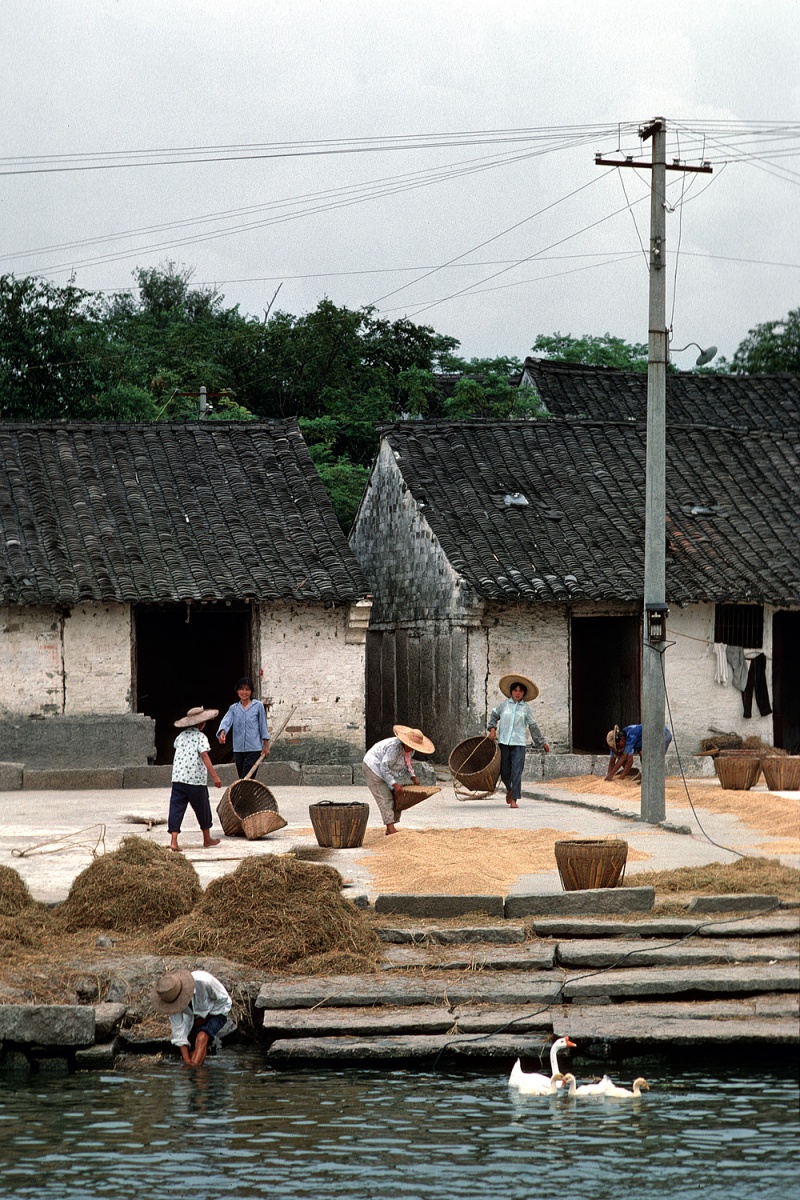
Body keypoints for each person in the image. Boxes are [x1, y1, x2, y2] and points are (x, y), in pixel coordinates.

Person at [487, 673, 550, 809]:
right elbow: (493, 715)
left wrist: (542, 742)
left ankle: (514, 799)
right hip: (504, 742)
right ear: (511, 692)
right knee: (504, 772)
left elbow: (533, 726)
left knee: (516, 771)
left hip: (519, 744)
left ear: (524, 693)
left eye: (520, 691)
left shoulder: (526, 709)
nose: (517, 693)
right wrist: (492, 730)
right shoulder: (504, 705)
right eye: (515, 690)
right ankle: (509, 789)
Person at [151, 969, 235, 1067]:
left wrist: (206, 1017)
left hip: (218, 1010)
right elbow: (179, 1032)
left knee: (201, 1037)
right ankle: (198, 1074)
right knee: (191, 1053)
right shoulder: (170, 999)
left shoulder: (205, 981)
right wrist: (187, 1061)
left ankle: (197, 1074)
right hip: (194, 1017)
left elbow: (223, 999)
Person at [362, 724, 435, 836]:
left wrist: (413, 776)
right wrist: (394, 784)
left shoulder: (411, 750)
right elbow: (384, 767)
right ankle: (390, 828)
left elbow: (407, 762)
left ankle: (391, 826)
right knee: (385, 796)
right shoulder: (394, 748)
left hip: (387, 770)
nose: (413, 748)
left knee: (397, 796)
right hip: (374, 767)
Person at [168, 706, 223, 851]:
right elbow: (205, 756)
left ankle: (173, 841)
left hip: (178, 779)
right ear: (201, 724)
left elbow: (177, 748)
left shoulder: (180, 737)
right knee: (203, 809)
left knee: (176, 809)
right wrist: (215, 776)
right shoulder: (201, 737)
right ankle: (207, 839)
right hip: (195, 781)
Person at [216, 677, 270, 778]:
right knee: (243, 777)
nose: (244, 692)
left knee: (246, 777)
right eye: (241, 689)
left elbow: (263, 726)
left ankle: (244, 793)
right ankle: (247, 794)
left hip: (254, 748)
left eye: (247, 689)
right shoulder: (234, 708)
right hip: (238, 749)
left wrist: (266, 746)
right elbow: (226, 721)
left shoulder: (258, 706)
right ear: (237, 691)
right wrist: (223, 732)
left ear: (251, 691)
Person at [605, 723, 673, 781]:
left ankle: (656, 783)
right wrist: (608, 777)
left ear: (621, 739)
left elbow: (627, 760)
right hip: (648, 741)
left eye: (618, 746)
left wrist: (619, 778)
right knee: (643, 757)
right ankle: (648, 779)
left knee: (654, 759)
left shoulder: (630, 735)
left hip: (662, 735)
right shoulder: (623, 742)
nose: (619, 748)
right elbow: (612, 761)